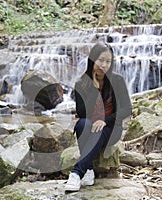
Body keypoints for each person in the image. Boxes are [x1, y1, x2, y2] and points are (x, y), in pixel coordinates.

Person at [65, 42, 132, 191]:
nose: (104, 65)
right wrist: (94, 90)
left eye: (108, 61)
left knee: (98, 131)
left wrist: (104, 121)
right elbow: (82, 113)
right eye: (101, 60)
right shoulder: (81, 84)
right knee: (82, 124)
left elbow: (127, 109)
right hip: (89, 125)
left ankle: (76, 173)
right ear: (93, 59)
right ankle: (88, 170)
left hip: (111, 127)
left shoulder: (117, 81)